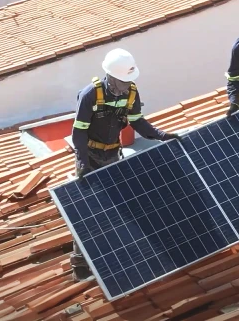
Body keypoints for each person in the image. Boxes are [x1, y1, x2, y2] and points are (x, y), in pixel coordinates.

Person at [70, 48, 180, 282]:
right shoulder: (91, 94)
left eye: (128, 81)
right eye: (122, 81)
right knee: (87, 211)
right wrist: (81, 162)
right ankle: (79, 262)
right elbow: (78, 131)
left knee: (116, 208)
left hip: (112, 155)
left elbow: (136, 121)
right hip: (89, 155)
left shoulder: (131, 93)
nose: (125, 85)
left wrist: (160, 135)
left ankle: (114, 258)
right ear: (110, 76)